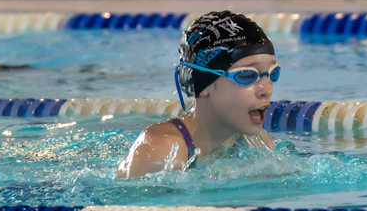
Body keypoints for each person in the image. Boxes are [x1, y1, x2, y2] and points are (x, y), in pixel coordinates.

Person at [115, 11, 279, 178]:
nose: (267, 89)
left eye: (273, 74)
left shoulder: (258, 144)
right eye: (247, 75)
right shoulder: (161, 149)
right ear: (204, 84)